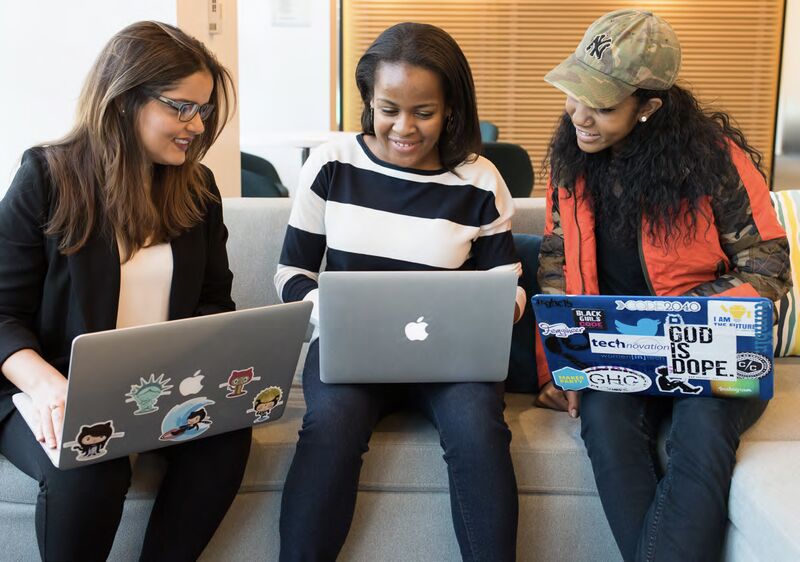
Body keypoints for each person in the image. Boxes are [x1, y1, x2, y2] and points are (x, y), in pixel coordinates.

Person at [535, 9, 792, 561]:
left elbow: (768, 266)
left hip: (715, 351)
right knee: (604, 424)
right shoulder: (569, 163)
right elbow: (556, 264)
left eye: (601, 105)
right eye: (574, 93)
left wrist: (677, 318)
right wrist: (560, 367)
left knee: (699, 433)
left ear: (648, 107)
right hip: (618, 353)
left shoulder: (713, 163)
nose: (579, 114)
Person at [0, 21, 251, 561]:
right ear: (123, 100)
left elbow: (214, 303)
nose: (196, 124)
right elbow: (1, 313)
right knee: (94, 459)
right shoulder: (46, 177)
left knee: (226, 440)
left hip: (157, 390)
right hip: (47, 392)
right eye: (181, 107)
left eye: (204, 109)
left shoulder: (198, 188)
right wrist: (47, 387)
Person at [275, 22, 525, 562]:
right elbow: (291, 273)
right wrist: (332, 311)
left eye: (424, 112)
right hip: (350, 352)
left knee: (479, 431)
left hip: (452, 358)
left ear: (452, 107)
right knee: (329, 428)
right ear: (369, 101)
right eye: (388, 109)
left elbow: (506, 280)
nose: (403, 128)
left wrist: (504, 303)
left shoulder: (479, 181)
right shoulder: (332, 163)